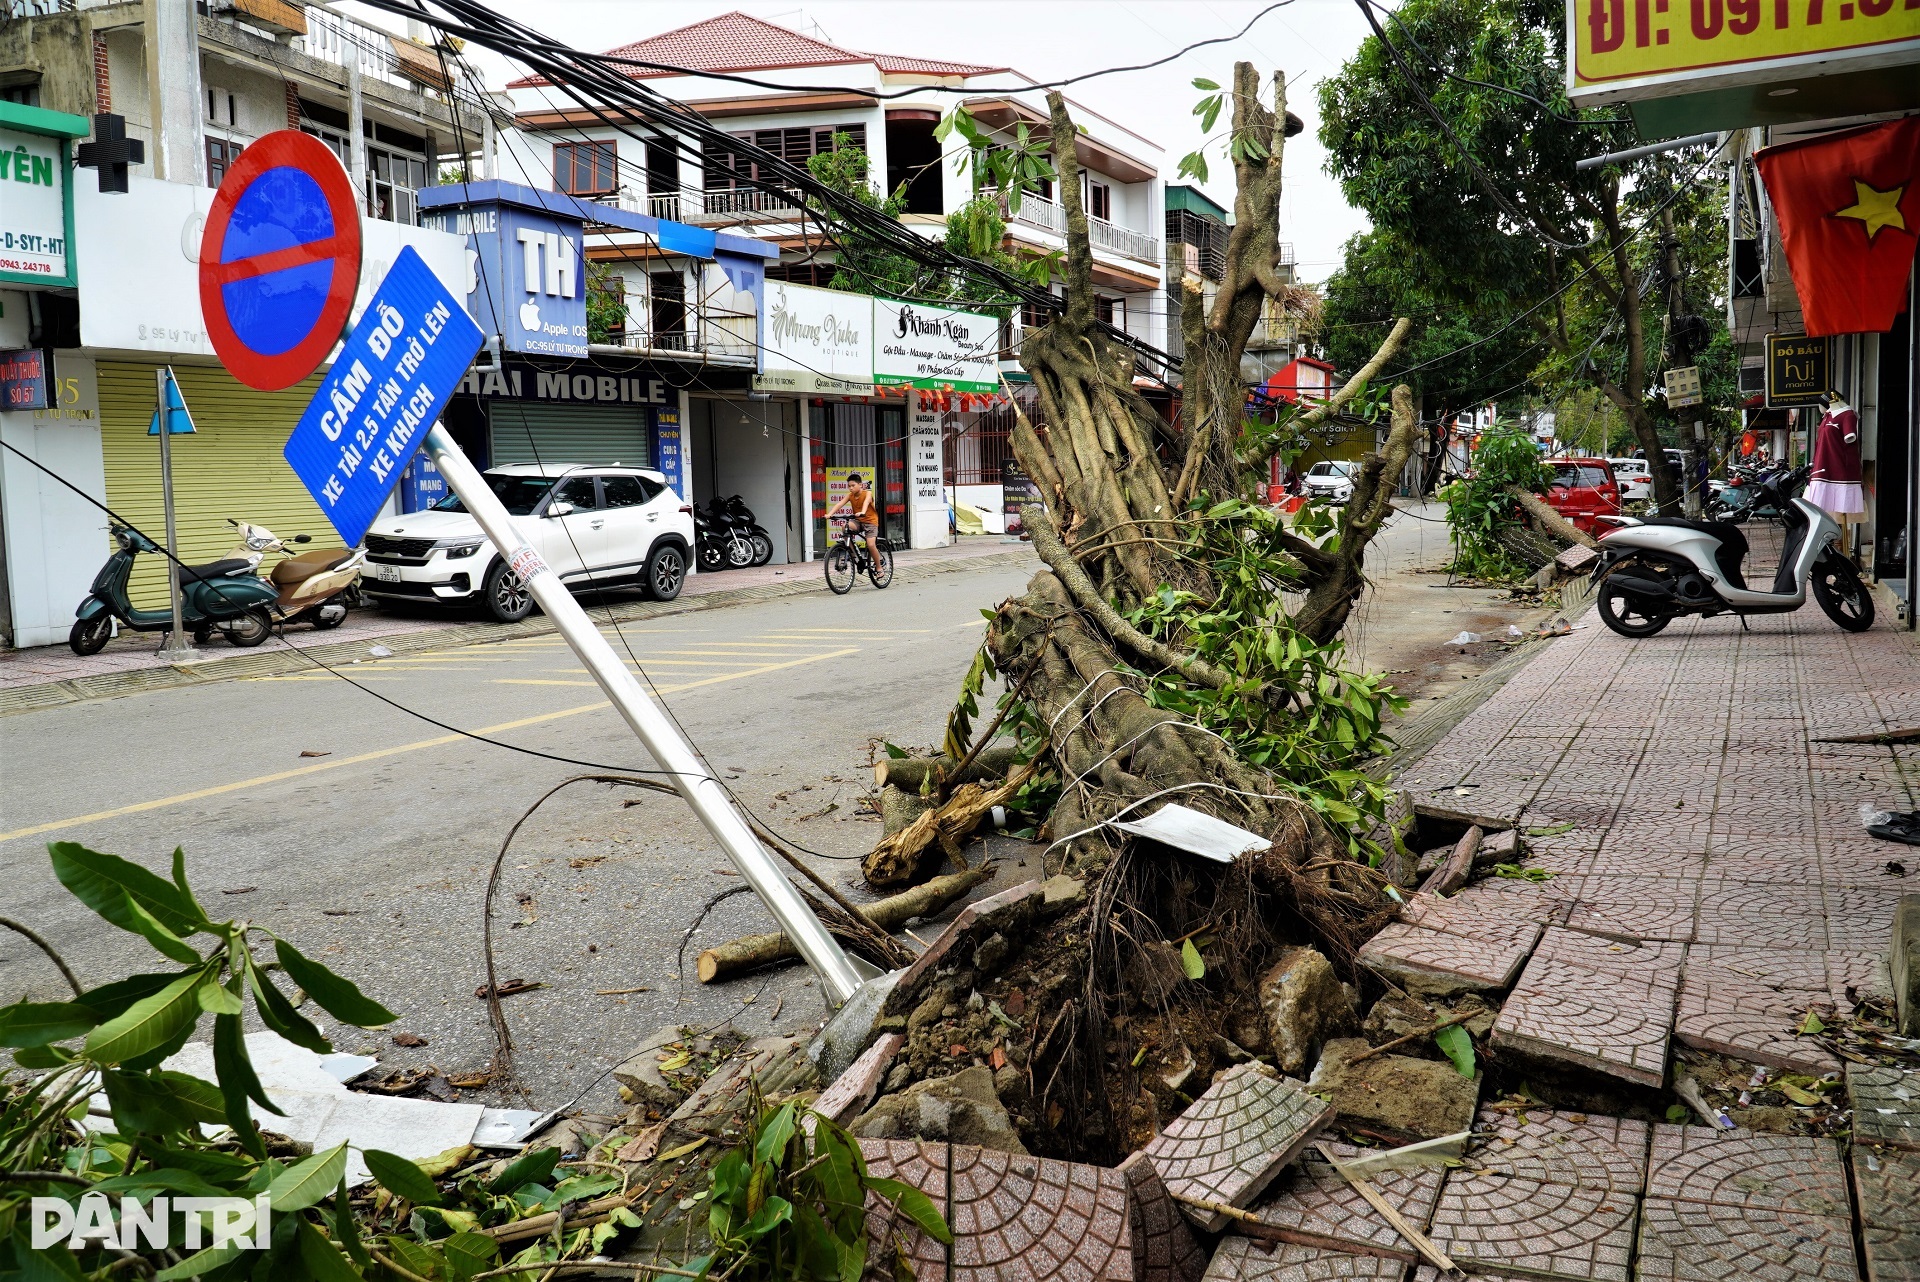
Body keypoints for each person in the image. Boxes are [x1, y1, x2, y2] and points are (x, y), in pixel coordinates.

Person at [826, 473, 883, 569]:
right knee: (845, 527)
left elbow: (866, 502)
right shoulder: (850, 495)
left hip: (870, 522)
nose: (850, 488)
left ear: (860, 485)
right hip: (859, 521)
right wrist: (830, 514)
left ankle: (879, 567)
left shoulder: (867, 493)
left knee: (870, 544)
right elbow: (840, 504)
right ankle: (853, 555)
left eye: (853, 485)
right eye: (849, 486)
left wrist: (863, 511)